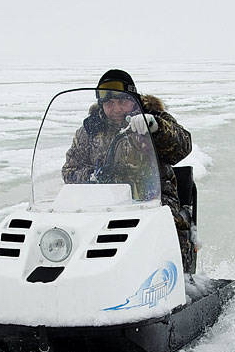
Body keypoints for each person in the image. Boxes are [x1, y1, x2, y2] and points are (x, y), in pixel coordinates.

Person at [62, 69, 195, 272]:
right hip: (102, 202)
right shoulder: (89, 130)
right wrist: (93, 176)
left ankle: (179, 279)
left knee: (169, 227)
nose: (116, 109)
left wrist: (156, 128)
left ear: (134, 99)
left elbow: (183, 146)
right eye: (109, 103)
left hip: (152, 197)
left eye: (122, 102)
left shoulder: (153, 118)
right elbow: (70, 170)